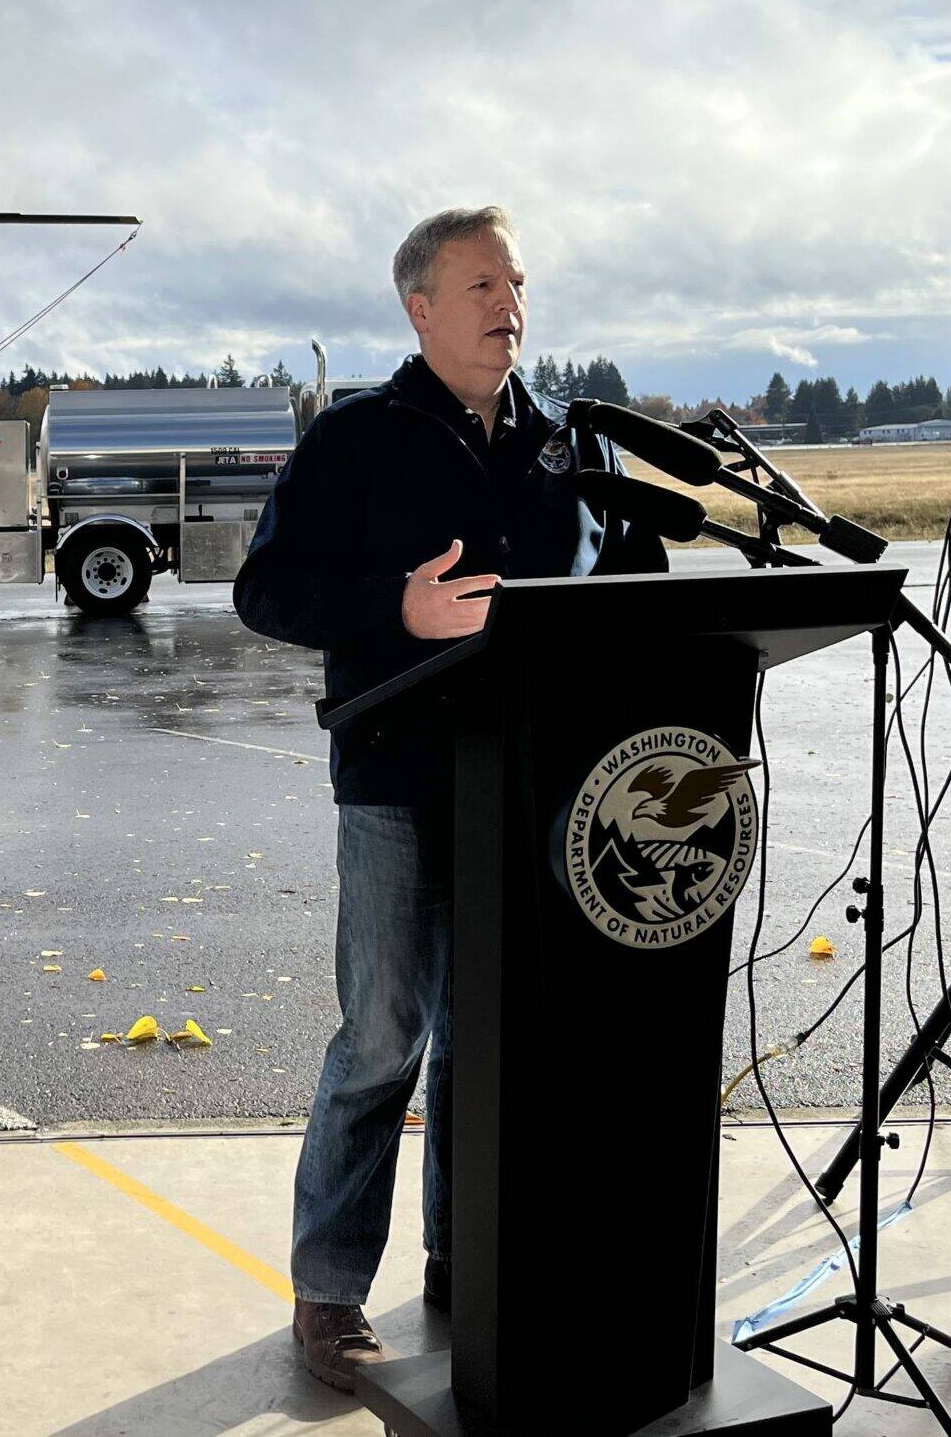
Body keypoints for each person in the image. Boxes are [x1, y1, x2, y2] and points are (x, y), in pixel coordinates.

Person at [233, 206, 667, 1394]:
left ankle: (463, 1260)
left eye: (514, 282)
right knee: (381, 1038)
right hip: (396, 780)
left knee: (489, 1041)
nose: (506, 305)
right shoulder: (354, 438)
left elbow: (635, 587)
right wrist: (396, 607)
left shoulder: (568, 442)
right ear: (417, 308)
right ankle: (327, 1291)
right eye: (480, 285)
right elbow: (264, 590)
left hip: (537, 784)